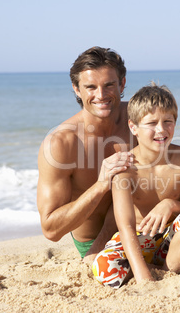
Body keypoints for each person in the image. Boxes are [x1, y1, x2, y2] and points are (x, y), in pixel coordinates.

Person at [92, 83, 180, 288]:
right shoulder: (125, 167)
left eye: (168, 121)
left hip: (173, 239)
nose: (161, 129)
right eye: (151, 123)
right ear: (134, 127)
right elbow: (125, 226)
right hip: (139, 240)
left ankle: (168, 270)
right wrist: (143, 278)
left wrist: (171, 204)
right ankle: (147, 268)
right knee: (102, 267)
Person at [37, 47, 136, 264]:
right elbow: (51, 229)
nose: (101, 95)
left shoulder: (139, 119)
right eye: (90, 87)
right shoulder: (61, 143)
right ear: (76, 89)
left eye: (109, 85)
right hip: (94, 246)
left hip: (143, 229)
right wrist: (101, 185)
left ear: (122, 84)